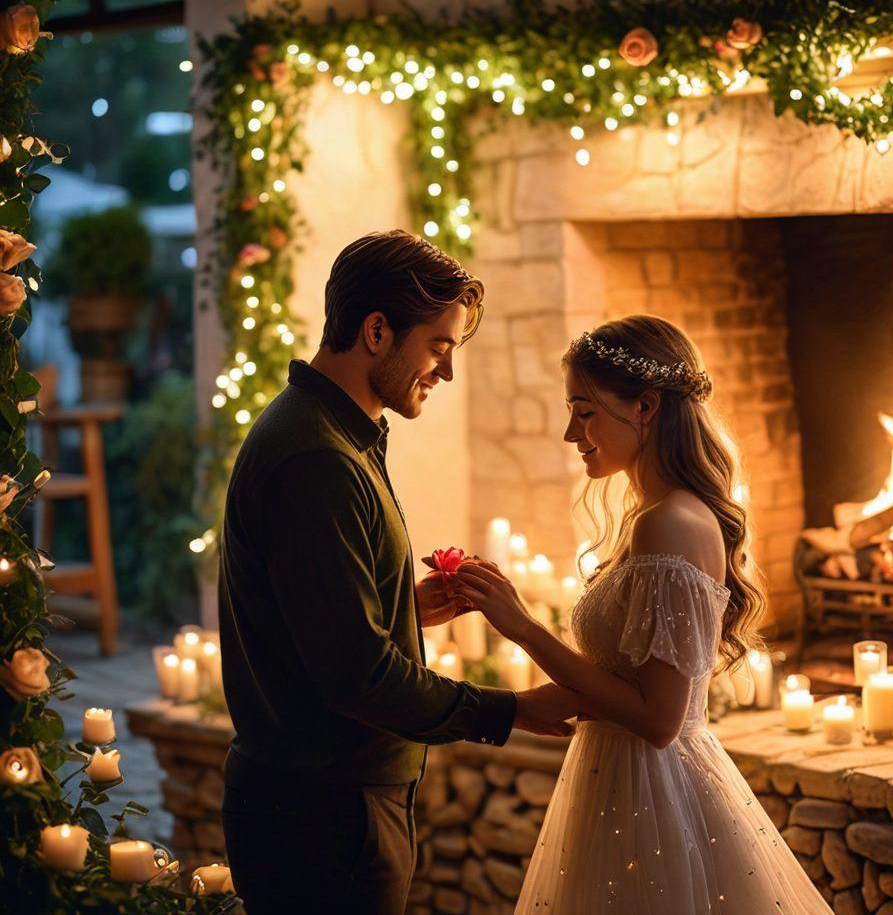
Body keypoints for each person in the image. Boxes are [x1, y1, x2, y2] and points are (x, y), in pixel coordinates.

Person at [217, 230, 578, 915]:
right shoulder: (317, 461)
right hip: (323, 819)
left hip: (328, 803)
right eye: (439, 346)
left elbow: (316, 630)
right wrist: (512, 711)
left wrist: (399, 608)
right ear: (377, 331)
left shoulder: (334, 435)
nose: (446, 372)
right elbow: (358, 678)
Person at [451, 315, 835, 914]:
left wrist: (523, 629)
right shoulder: (657, 515)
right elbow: (629, 682)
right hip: (620, 779)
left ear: (647, 406)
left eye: (584, 411)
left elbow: (659, 719)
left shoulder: (669, 522)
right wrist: (566, 696)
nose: (570, 433)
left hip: (653, 793)